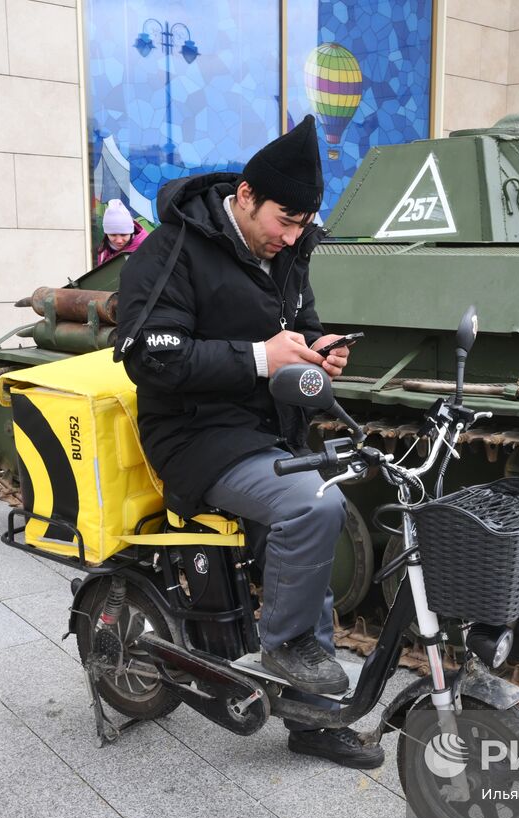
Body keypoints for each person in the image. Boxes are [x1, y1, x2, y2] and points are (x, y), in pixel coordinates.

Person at [116, 116, 382, 769]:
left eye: (302, 225)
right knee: (311, 504)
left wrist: (319, 354)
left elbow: (304, 325)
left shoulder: (286, 250)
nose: (292, 238)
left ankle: (313, 719)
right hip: (193, 434)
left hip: (265, 430)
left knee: (315, 536)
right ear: (244, 196)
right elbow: (149, 357)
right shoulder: (173, 249)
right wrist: (260, 358)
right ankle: (285, 648)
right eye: (284, 222)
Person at [96, 199, 148, 264]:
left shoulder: (146, 249)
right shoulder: (103, 251)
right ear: (106, 234)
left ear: (131, 232)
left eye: (123, 235)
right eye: (113, 235)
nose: (119, 241)